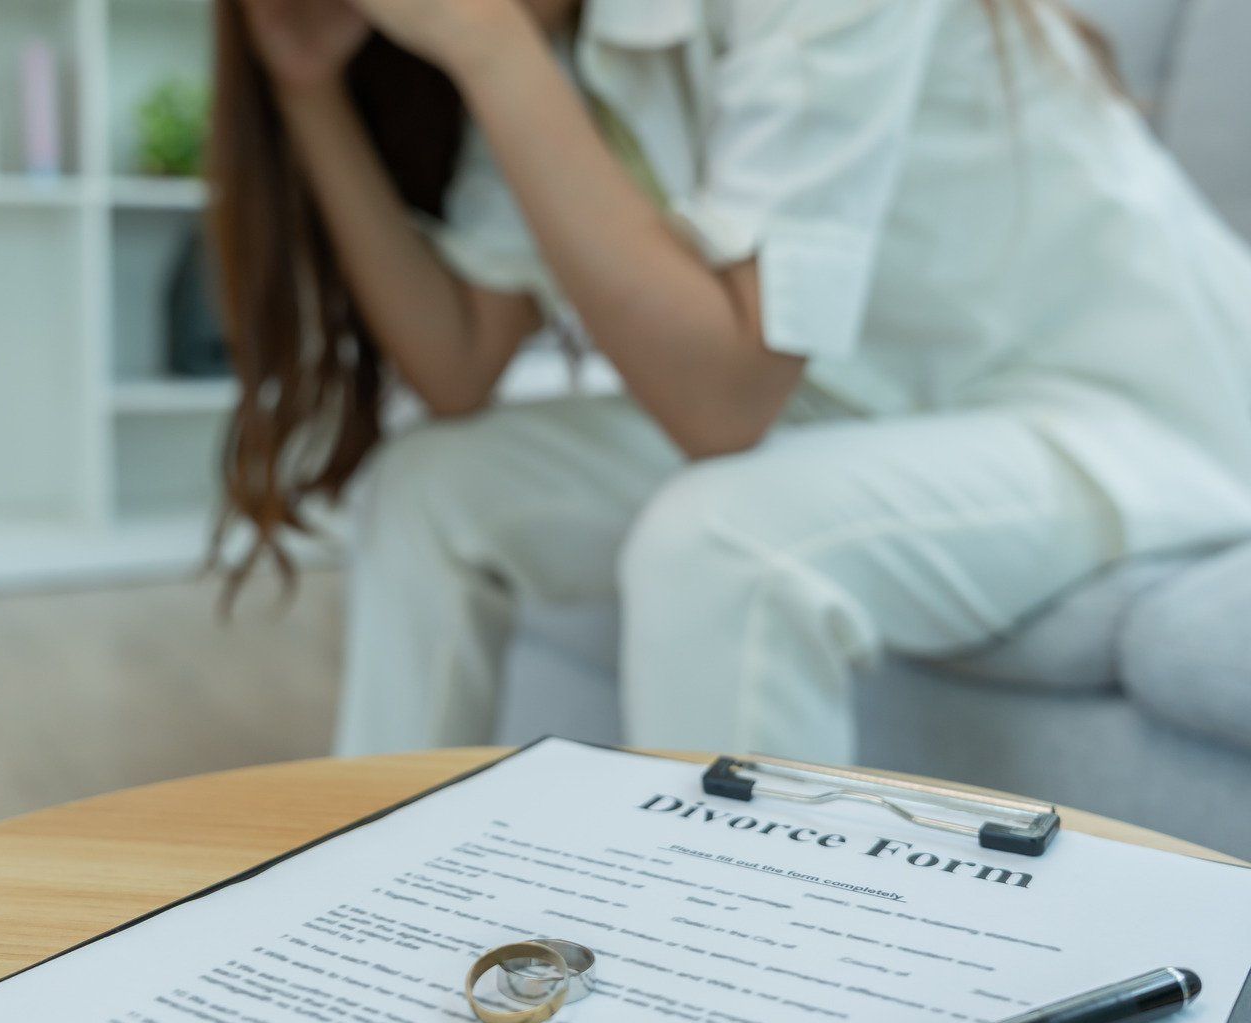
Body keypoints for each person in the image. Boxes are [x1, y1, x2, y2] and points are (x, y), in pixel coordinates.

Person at [207, 0, 1251, 762]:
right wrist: (308, 88)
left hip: (1123, 405)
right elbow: (459, 361)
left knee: (721, 544)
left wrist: (489, 48)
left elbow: (723, 399)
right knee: (432, 489)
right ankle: (372, 922)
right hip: (858, 408)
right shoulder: (552, 35)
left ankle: (731, 983)